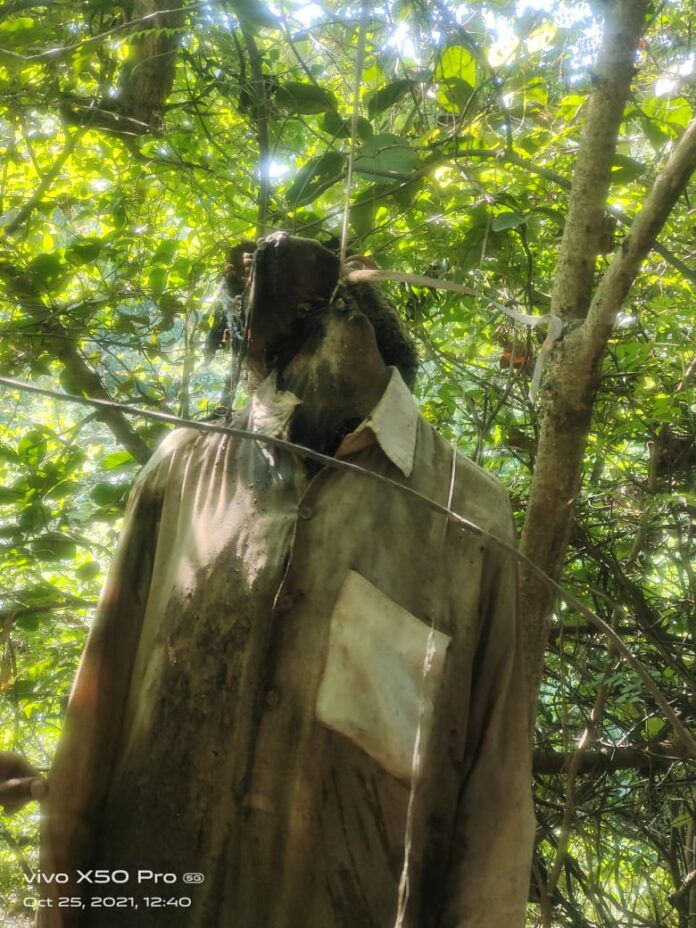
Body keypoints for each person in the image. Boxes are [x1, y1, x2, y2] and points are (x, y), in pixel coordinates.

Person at [39, 233, 535, 927]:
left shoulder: (469, 509)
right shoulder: (186, 467)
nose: (316, 320)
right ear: (249, 345)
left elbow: (495, 789)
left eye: (325, 298)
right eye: (287, 311)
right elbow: (96, 718)